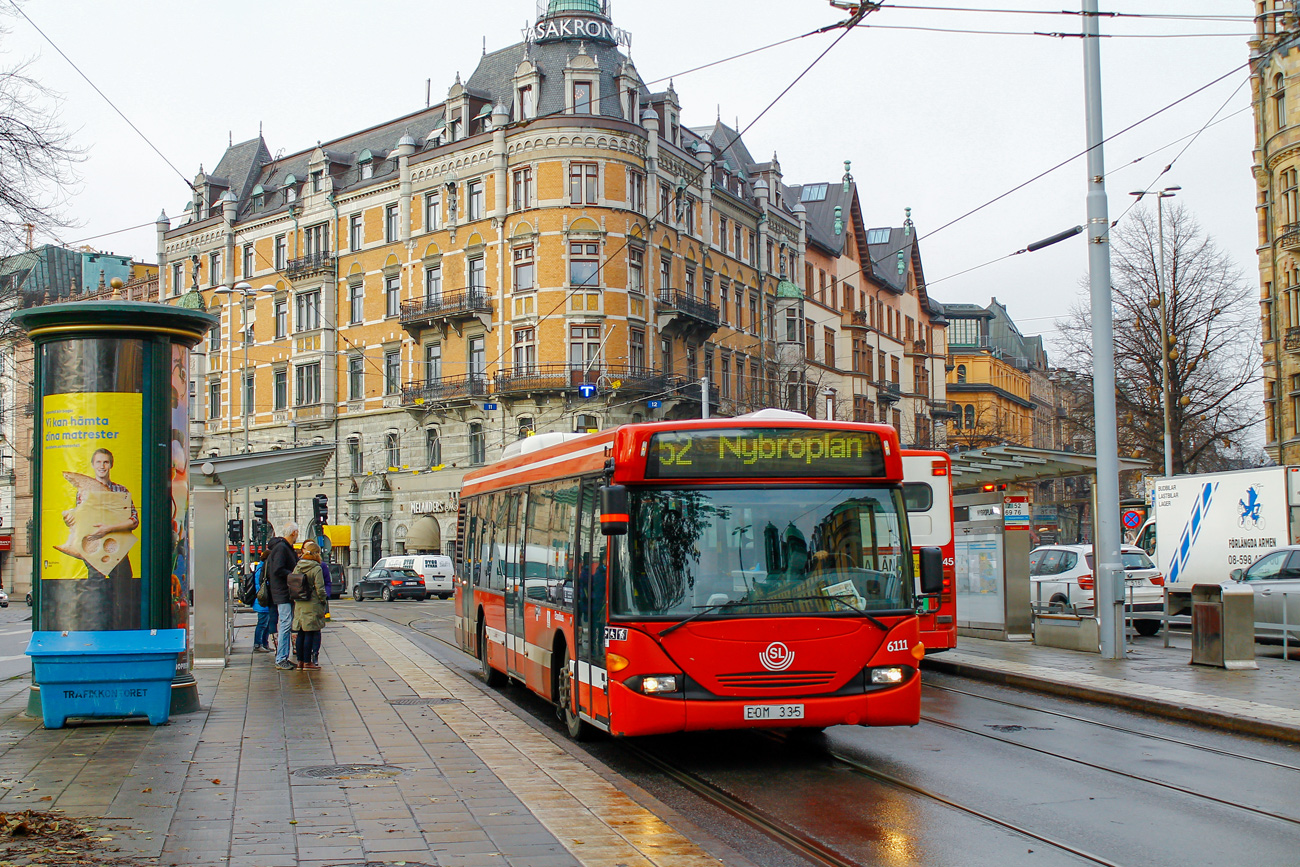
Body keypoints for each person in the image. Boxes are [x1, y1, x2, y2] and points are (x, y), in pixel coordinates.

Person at [262, 521, 300, 671]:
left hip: (284, 592)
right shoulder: (282, 548)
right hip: (283, 592)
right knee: (285, 623)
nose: (298, 535)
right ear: (293, 533)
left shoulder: (283, 548)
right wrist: (293, 575)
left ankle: (283, 656)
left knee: (286, 623)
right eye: (297, 532)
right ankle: (281, 658)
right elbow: (278, 569)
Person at [292, 540, 328, 671]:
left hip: (299, 602)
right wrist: (323, 600)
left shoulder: (298, 566)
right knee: (310, 633)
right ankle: (308, 662)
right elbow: (320, 588)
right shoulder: (315, 568)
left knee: (301, 632)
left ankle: (300, 661)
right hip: (312, 603)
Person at [251, 559, 277, 653]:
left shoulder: (262, 567)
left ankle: (264, 644)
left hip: (264, 601)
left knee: (266, 624)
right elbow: (261, 585)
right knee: (262, 624)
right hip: (263, 601)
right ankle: (258, 644)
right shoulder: (263, 569)